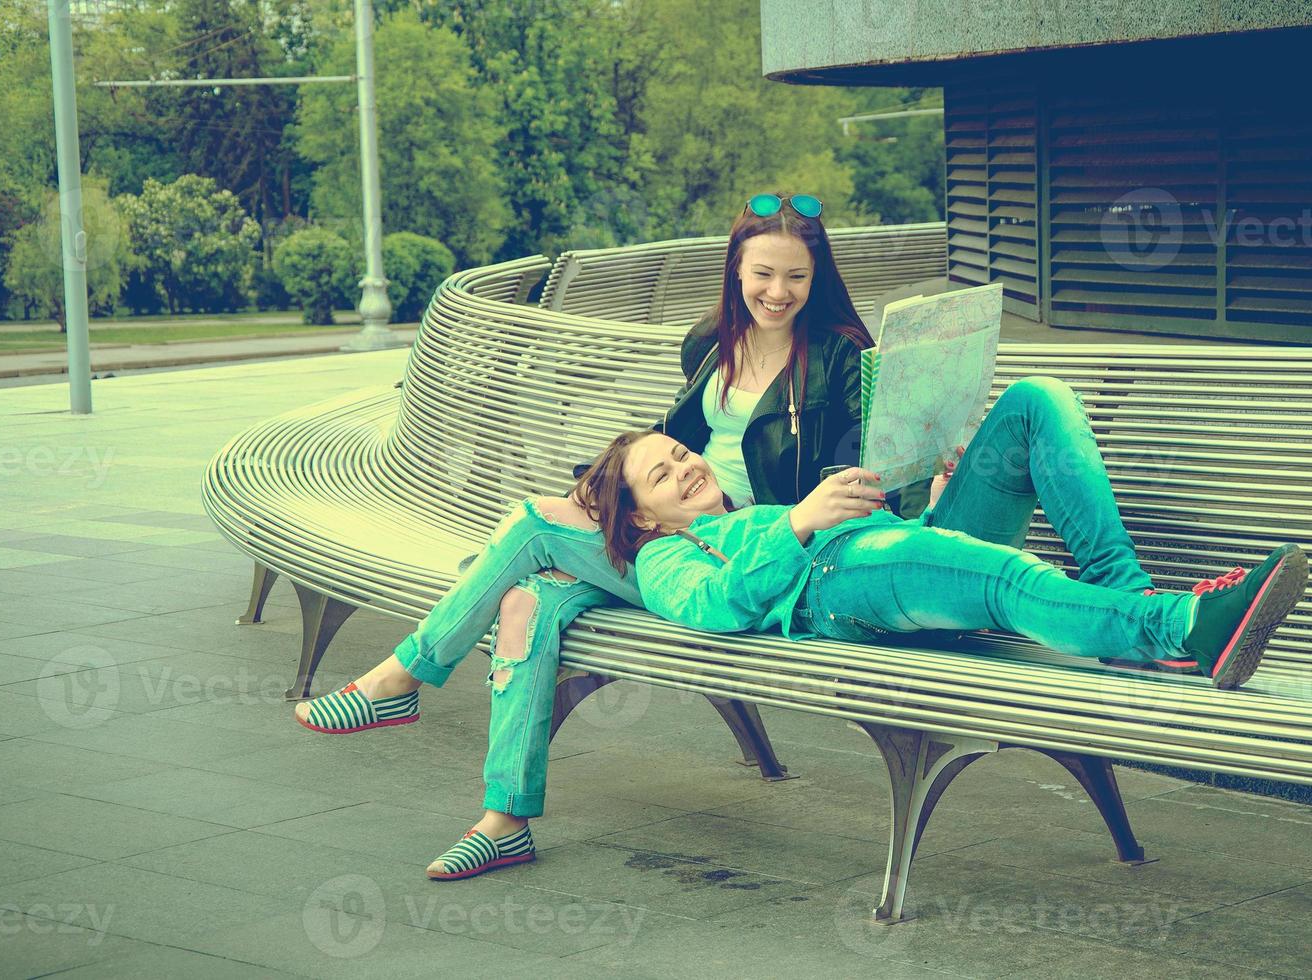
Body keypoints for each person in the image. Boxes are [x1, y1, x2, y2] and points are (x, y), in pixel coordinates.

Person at [294, 193, 897, 880]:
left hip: (742, 552)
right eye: (763, 273)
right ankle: (504, 821)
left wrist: (909, 466)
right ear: (735, 270)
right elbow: (673, 445)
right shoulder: (712, 344)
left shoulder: (841, 358)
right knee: (528, 601)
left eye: (796, 276)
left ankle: (402, 676)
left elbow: (862, 475)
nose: (778, 292)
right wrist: (607, 491)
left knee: (530, 525)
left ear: (818, 279)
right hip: (668, 531)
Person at [595, 376, 1308, 690]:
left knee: (1035, 402)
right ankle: (1182, 625)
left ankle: (1124, 600)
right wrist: (801, 521)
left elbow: (892, 548)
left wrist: (934, 507)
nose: (686, 467)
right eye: (663, 475)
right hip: (838, 587)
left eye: (681, 454)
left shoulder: (740, 513)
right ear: (641, 518)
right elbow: (721, 607)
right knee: (1002, 574)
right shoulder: (662, 559)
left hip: (887, 556)